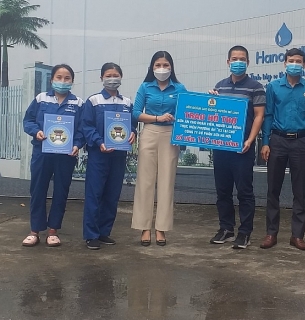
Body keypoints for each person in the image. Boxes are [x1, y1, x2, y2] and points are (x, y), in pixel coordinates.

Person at [260, 47, 305, 251]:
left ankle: (297, 236)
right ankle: (271, 233)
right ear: (285, 63)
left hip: (300, 142)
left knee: (300, 191)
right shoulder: (273, 86)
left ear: (304, 65)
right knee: (273, 189)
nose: (295, 64)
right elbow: (268, 115)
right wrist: (265, 142)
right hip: (277, 140)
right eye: (291, 60)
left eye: (298, 61)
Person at [208, 45, 266, 249]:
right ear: (228, 62)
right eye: (234, 59)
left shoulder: (256, 87)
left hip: (243, 148)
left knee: (244, 192)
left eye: (242, 59)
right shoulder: (220, 86)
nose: (238, 62)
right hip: (221, 147)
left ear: (248, 62)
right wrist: (210, 100)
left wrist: (250, 140)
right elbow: (213, 114)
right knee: (223, 191)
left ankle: (244, 232)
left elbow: (259, 116)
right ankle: (226, 228)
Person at [21, 64, 85, 247]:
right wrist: (36, 132)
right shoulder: (41, 99)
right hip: (42, 152)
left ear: (72, 81)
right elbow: (28, 120)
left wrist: (77, 144)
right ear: (51, 80)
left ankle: (53, 231)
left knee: (61, 191)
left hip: (66, 155)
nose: (62, 81)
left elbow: (82, 128)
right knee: (37, 190)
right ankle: (35, 231)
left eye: (67, 78)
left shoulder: (78, 103)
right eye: (59, 77)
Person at [131, 51, 186, 246]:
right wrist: (157, 118)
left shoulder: (179, 88)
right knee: (145, 181)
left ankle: (161, 228)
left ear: (171, 67)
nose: (162, 69)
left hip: (170, 135)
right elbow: (136, 113)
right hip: (150, 132)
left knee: (166, 182)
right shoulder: (145, 87)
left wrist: (211, 97)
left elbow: (189, 111)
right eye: (158, 65)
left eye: (165, 65)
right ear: (152, 67)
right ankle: (144, 227)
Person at [81, 63, 137, 250]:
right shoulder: (93, 101)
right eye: (108, 75)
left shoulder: (127, 102)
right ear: (101, 78)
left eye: (115, 75)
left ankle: (104, 232)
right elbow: (86, 126)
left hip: (119, 155)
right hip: (99, 154)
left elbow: (132, 124)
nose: (112, 79)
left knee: (112, 194)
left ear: (121, 78)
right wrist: (99, 142)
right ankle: (91, 235)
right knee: (94, 194)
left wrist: (133, 133)